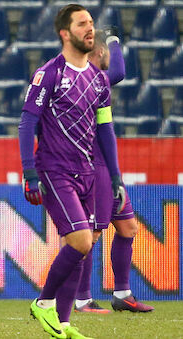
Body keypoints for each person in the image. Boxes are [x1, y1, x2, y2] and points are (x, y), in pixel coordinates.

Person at [18, 4, 123, 339]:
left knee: (84, 244)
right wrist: (29, 172)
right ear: (65, 33)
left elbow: (105, 130)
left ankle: (62, 324)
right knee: (79, 239)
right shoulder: (49, 73)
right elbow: (27, 123)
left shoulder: (98, 79)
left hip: (88, 172)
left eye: (91, 23)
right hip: (54, 170)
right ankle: (44, 302)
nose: (90, 29)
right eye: (82, 24)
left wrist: (116, 177)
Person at [73, 29, 154, 314]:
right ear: (97, 53)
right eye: (105, 50)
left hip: (107, 168)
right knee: (90, 236)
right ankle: (81, 298)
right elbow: (119, 70)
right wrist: (114, 38)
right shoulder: (85, 80)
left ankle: (122, 294)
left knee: (127, 227)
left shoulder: (95, 82)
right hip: (93, 167)